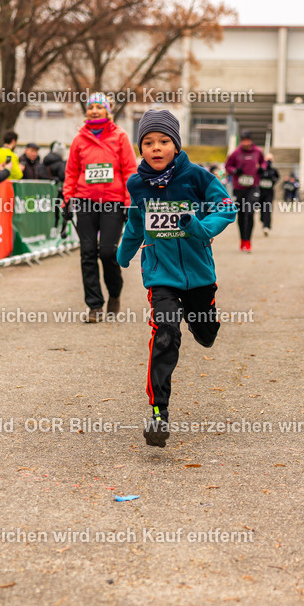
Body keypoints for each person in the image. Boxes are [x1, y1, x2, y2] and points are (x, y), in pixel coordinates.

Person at [115, 109, 237, 447]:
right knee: (165, 333)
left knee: (206, 333)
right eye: (148, 142)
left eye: (163, 141)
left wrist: (199, 228)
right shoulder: (136, 183)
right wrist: (123, 254)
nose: (156, 148)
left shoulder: (196, 176)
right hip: (160, 274)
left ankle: (204, 323)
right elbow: (136, 222)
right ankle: (158, 413)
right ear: (141, 147)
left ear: (176, 145)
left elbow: (227, 207)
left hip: (199, 273)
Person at [63, 92, 136, 322]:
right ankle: (94, 306)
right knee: (87, 252)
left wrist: (129, 202)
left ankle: (114, 293)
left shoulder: (120, 136)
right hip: (85, 201)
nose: (94, 110)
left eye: (99, 107)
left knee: (107, 251)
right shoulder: (79, 139)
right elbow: (72, 172)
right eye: (91, 107)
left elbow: (129, 171)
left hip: (113, 202)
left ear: (108, 110)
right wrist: (67, 199)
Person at [223, 130, 264, 252]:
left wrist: (262, 168)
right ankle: (242, 239)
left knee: (250, 212)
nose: (245, 142)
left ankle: (248, 241)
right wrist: (235, 171)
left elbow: (263, 162)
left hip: (253, 186)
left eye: (247, 140)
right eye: (243, 140)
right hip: (239, 188)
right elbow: (227, 166)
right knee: (241, 215)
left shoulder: (257, 152)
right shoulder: (236, 153)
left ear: (251, 140)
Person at [258, 153, 280, 236]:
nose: (268, 161)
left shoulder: (274, 170)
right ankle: (263, 220)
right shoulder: (261, 169)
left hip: (269, 193)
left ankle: (267, 226)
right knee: (261, 208)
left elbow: (277, 178)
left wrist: (273, 180)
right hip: (260, 192)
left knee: (268, 209)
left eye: (270, 159)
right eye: (267, 159)